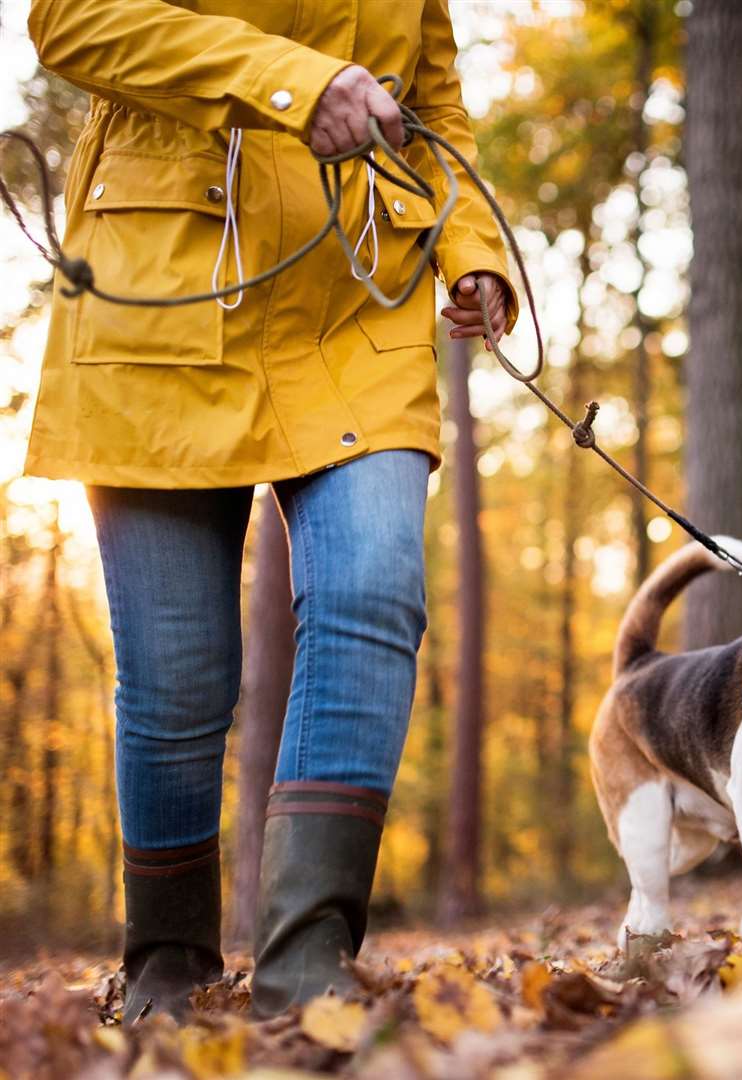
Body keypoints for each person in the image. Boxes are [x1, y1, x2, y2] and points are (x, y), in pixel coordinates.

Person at [25, 1, 514, 1020]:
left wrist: (473, 247)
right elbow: (69, 22)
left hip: (356, 303)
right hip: (160, 291)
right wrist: (291, 81)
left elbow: (432, 108)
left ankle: (307, 962)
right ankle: (167, 961)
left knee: (372, 592)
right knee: (177, 679)